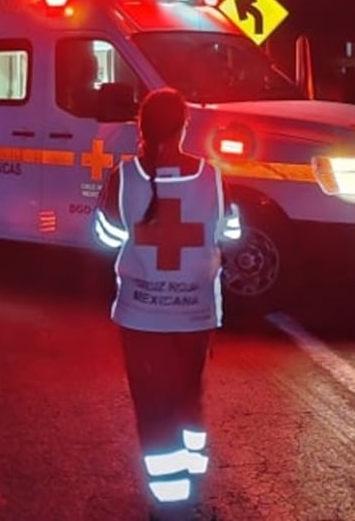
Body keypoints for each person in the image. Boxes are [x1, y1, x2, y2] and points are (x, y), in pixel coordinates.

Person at [94, 87, 241, 519]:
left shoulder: (126, 177)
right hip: (195, 314)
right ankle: (191, 488)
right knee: (186, 396)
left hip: (142, 316)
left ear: (140, 128)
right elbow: (230, 234)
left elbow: (105, 237)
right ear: (183, 127)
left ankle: (174, 509)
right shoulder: (212, 176)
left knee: (154, 408)